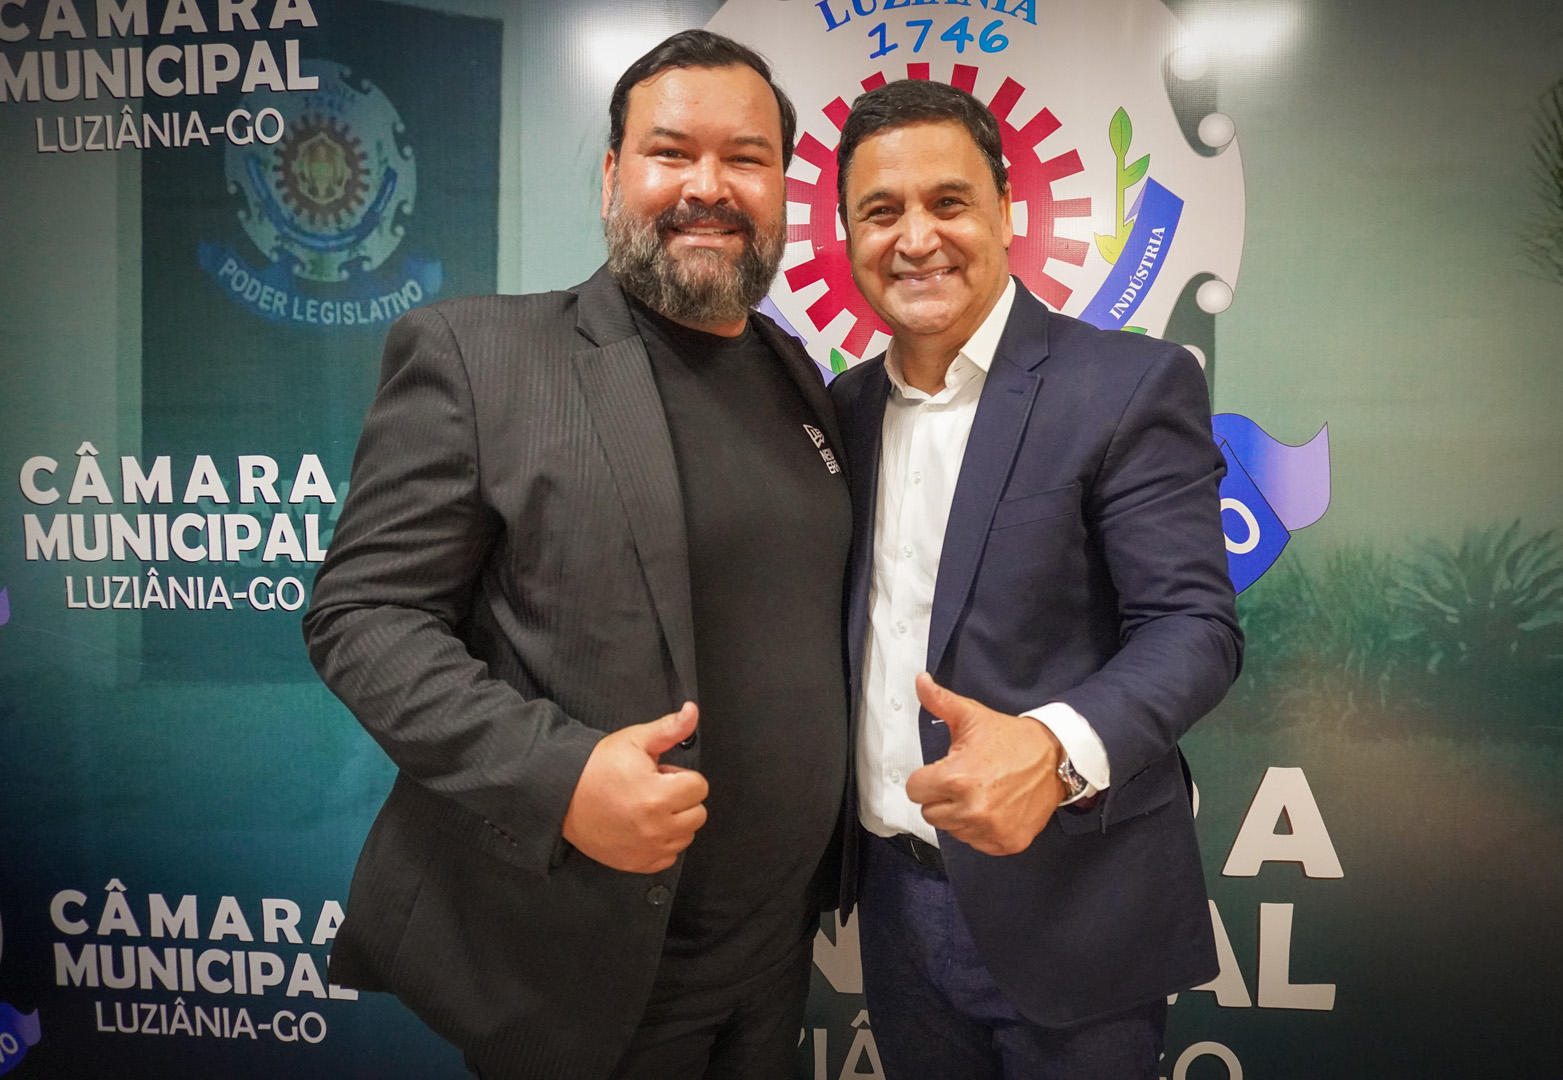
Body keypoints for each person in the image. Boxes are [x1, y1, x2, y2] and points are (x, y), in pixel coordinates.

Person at [303, 30, 850, 1080]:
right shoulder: (480, 356)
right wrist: (562, 778)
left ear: (783, 186)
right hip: (589, 972)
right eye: (670, 152)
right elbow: (362, 619)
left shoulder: (796, 373)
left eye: (745, 157)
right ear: (610, 175)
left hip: (776, 960)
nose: (708, 186)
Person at [828, 78, 1243, 1079]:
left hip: (1076, 899)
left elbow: (1193, 627)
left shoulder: (1128, 384)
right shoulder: (838, 411)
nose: (916, 238)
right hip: (893, 901)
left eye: (948, 202)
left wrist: (1053, 749)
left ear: (1008, 211)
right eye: (881, 212)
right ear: (847, 236)